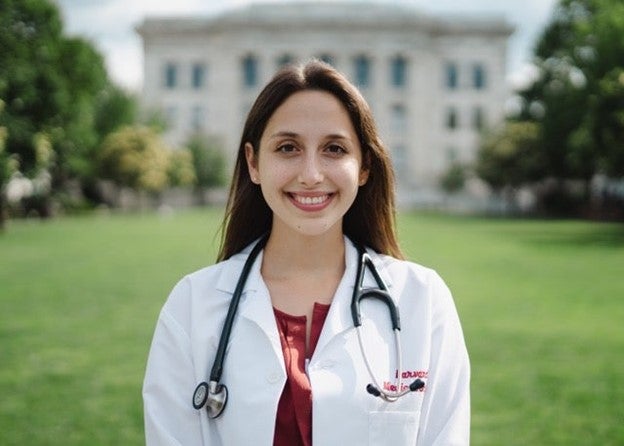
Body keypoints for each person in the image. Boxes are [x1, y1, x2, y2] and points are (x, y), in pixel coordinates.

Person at [143, 60, 470, 445]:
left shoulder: (422, 300)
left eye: (334, 148)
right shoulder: (192, 305)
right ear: (254, 162)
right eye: (287, 148)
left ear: (364, 165)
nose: (311, 174)